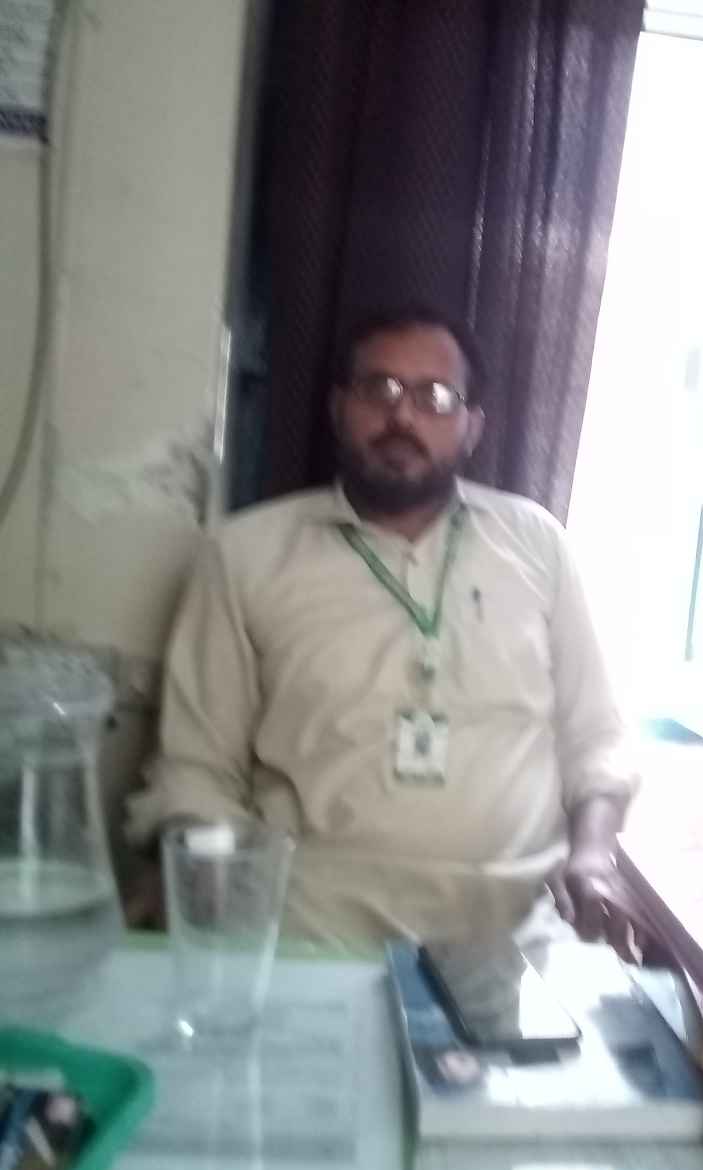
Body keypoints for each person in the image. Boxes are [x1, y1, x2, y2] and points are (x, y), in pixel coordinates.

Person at [126, 305, 641, 957]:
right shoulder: (245, 555)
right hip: (308, 932)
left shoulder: (536, 544)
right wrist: (218, 909)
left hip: (519, 934)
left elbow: (597, 737)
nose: (403, 417)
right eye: (380, 389)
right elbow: (195, 767)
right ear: (339, 408)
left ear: (472, 427)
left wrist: (593, 858)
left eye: (435, 397)